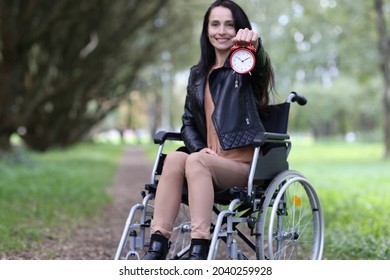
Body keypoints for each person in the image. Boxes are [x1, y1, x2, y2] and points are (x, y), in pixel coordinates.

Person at [142, 0, 275, 260]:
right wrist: (197, 148)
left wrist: (255, 49)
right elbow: (188, 122)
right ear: (206, 30)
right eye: (215, 24)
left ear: (239, 30)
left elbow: (260, 69)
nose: (221, 31)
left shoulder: (244, 68)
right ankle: (158, 245)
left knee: (195, 162)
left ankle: (200, 248)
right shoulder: (197, 75)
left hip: (242, 167)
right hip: (206, 160)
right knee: (176, 158)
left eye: (230, 25)